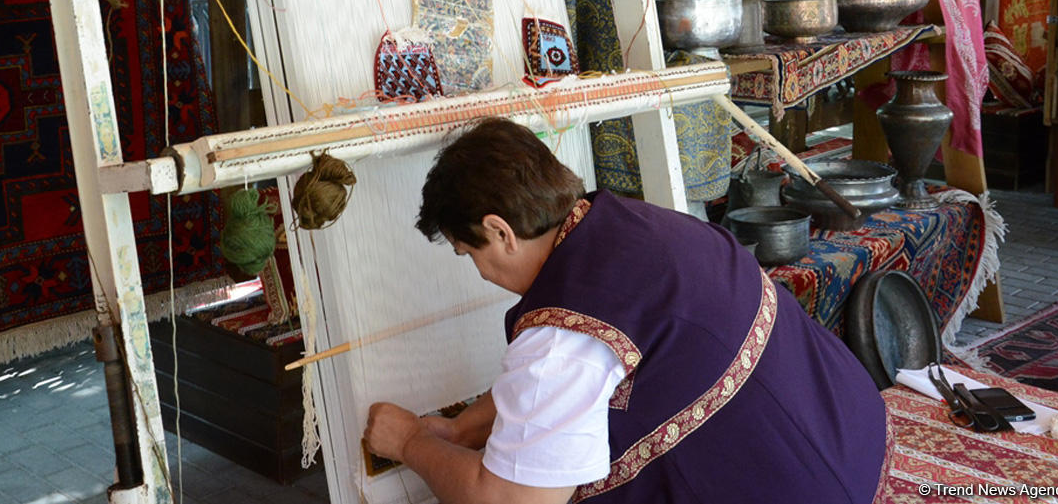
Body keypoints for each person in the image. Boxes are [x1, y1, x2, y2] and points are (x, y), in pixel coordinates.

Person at [365, 118, 890, 504]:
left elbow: (506, 499)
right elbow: (556, 391)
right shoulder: (637, 224)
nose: (479, 272)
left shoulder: (562, 334)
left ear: (500, 231)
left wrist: (410, 443)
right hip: (851, 442)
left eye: (469, 253)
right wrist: (459, 434)